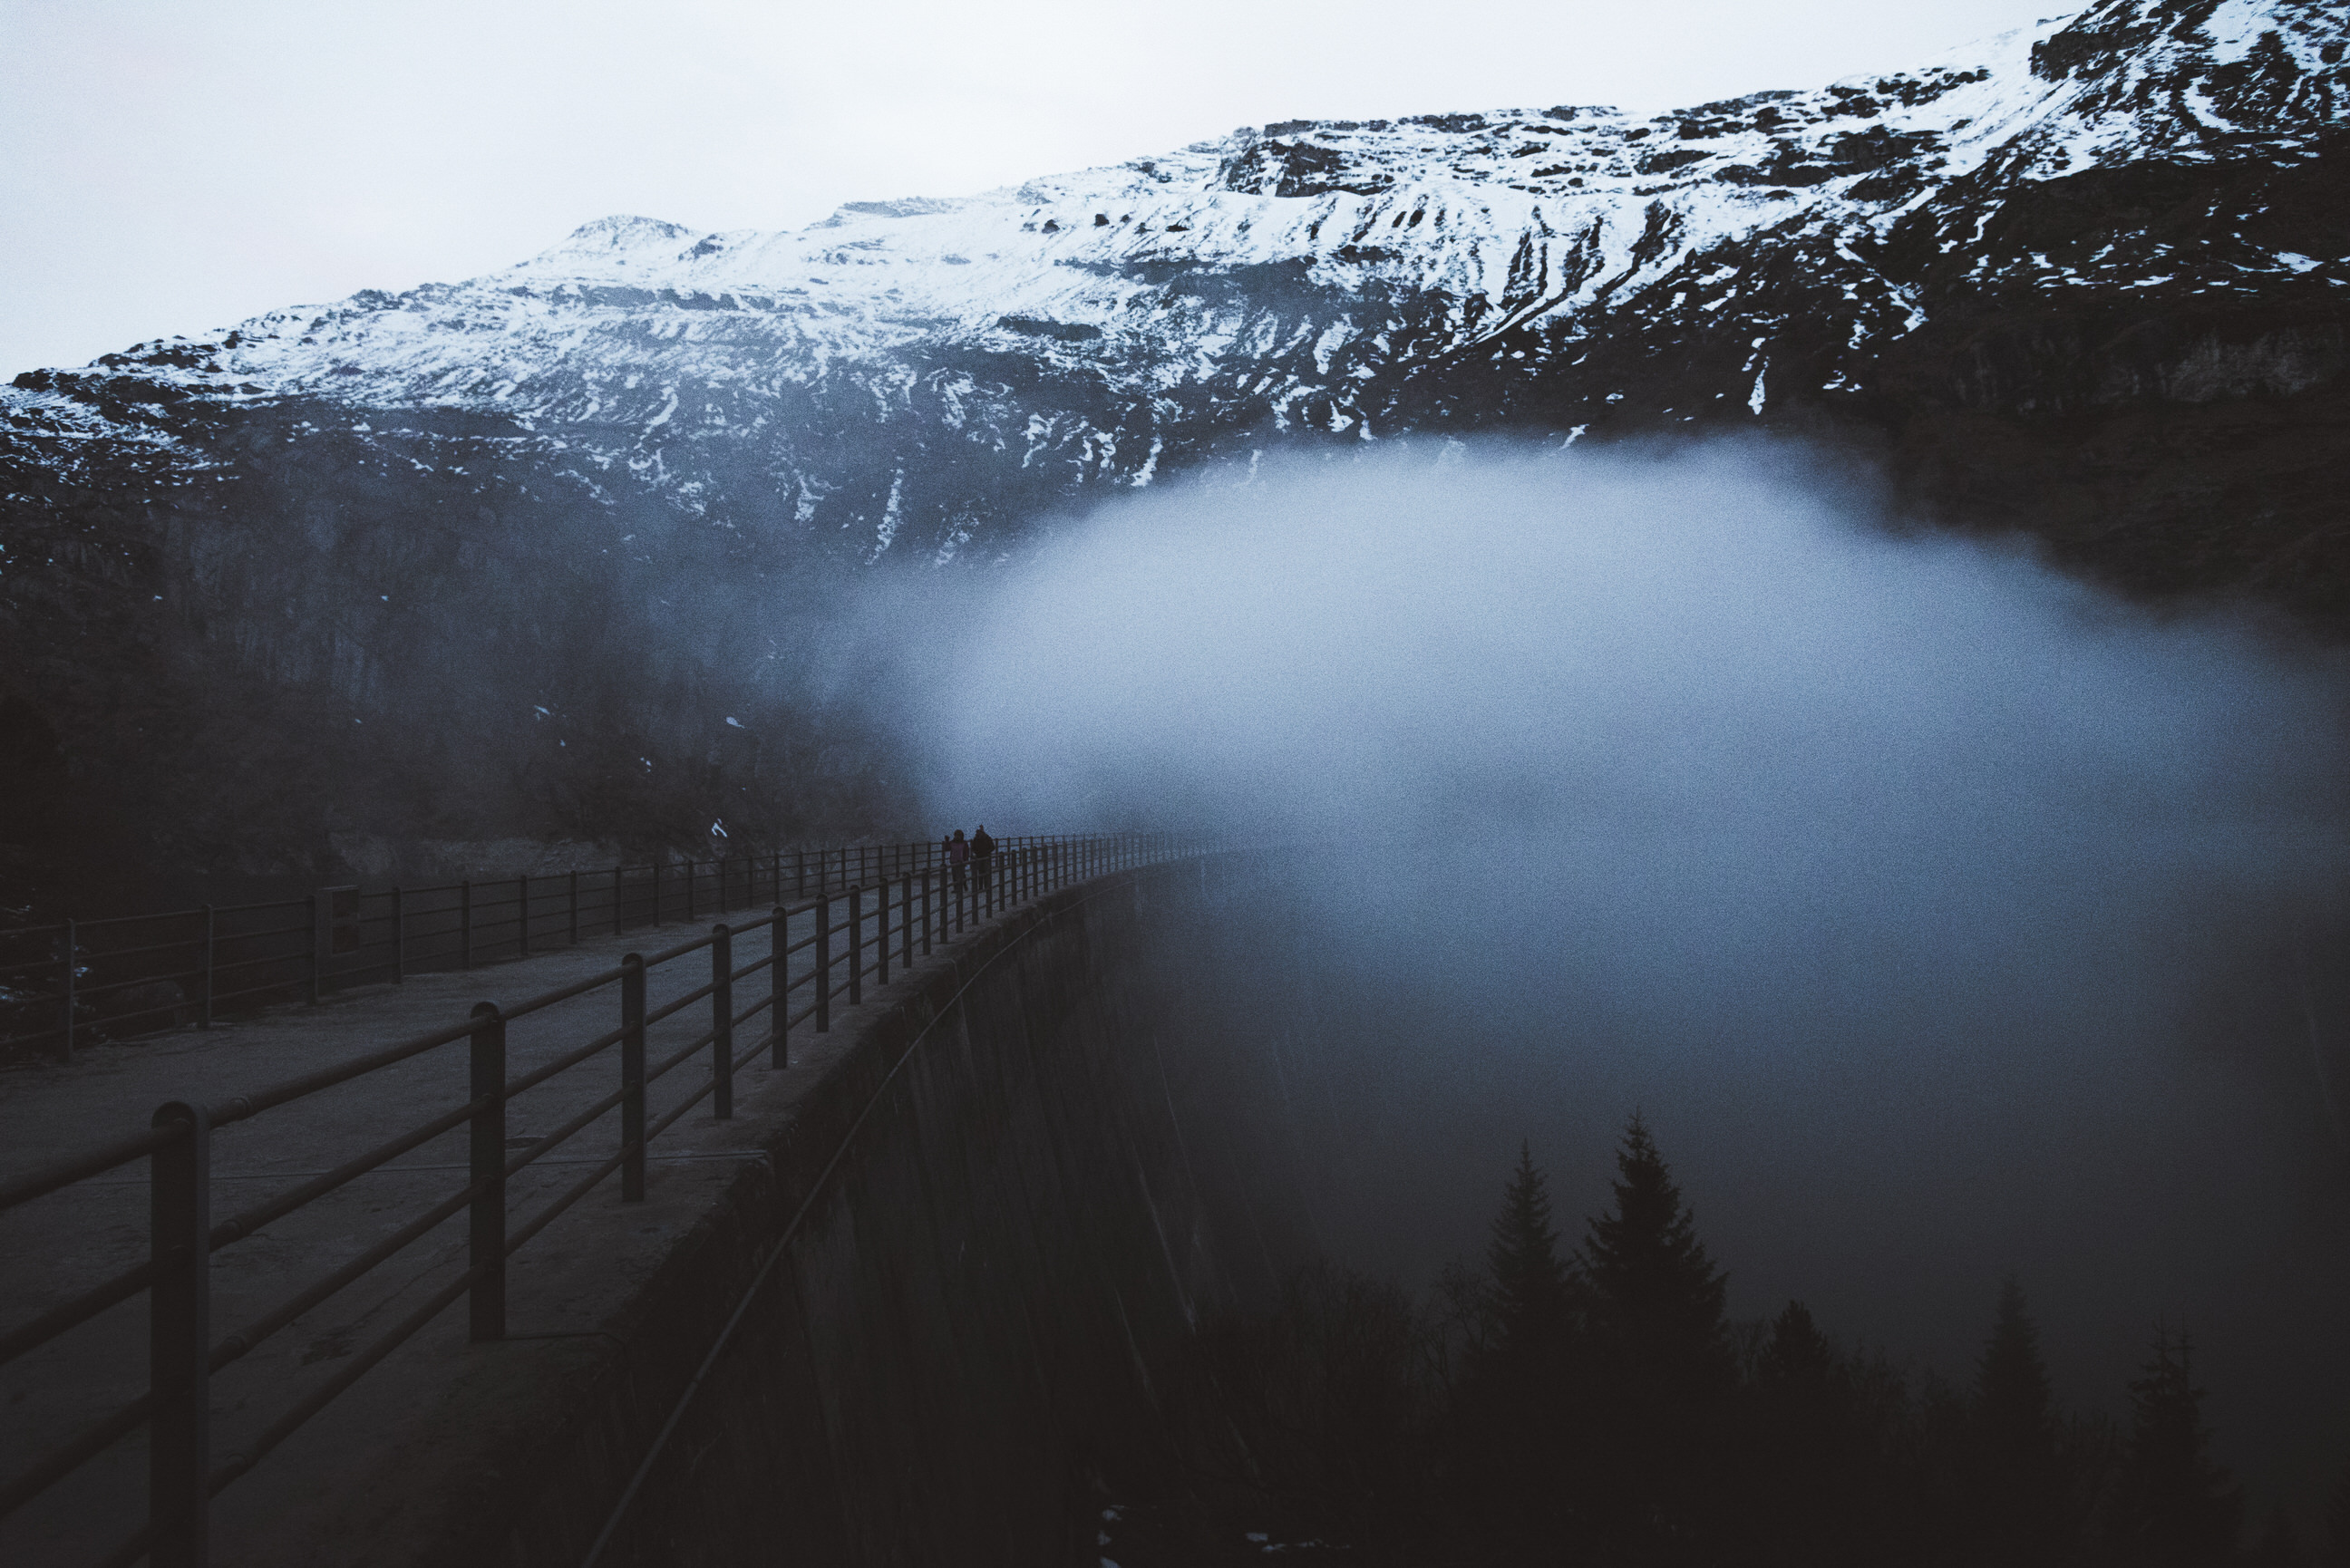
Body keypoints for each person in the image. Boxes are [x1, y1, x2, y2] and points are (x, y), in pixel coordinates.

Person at [970, 825, 995, 895]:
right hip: (981, 857)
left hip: (984, 857)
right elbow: (973, 847)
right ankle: (982, 886)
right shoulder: (980, 839)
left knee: (984, 872)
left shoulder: (986, 838)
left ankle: (984, 886)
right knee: (981, 872)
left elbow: (993, 847)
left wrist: (985, 852)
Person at [947, 828, 969, 895]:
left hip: (961, 861)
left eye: (958, 835)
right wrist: (947, 841)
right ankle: (956, 888)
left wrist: (966, 860)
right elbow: (947, 848)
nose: (957, 837)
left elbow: (966, 852)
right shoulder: (952, 842)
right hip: (954, 860)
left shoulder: (964, 843)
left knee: (961, 874)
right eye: (956, 835)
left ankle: (964, 885)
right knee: (954, 875)